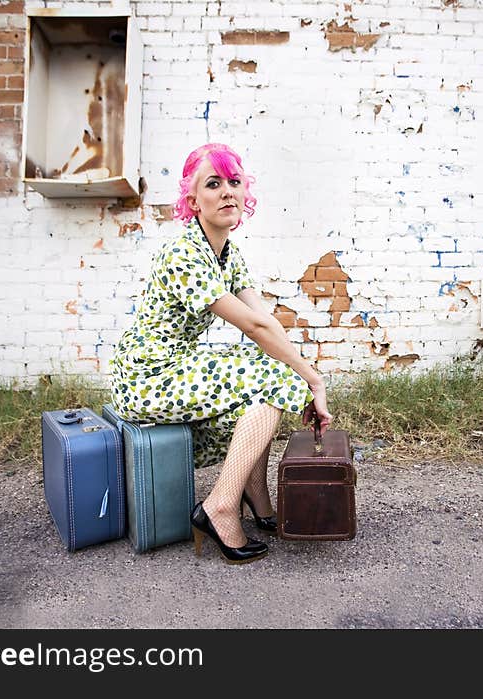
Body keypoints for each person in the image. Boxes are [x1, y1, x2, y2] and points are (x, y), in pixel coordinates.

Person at [110, 143, 332, 565]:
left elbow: (263, 320)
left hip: (173, 368)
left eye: (234, 181)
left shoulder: (227, 253)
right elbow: (253, 327)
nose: (228, 191)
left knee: (269, 373)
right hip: (147, 377)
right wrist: (313, 380)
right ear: (193, 201)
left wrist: (299, 370)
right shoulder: (184, 254)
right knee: (274, 378)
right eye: (214, 184)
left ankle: (256, 496)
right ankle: (220, 506)